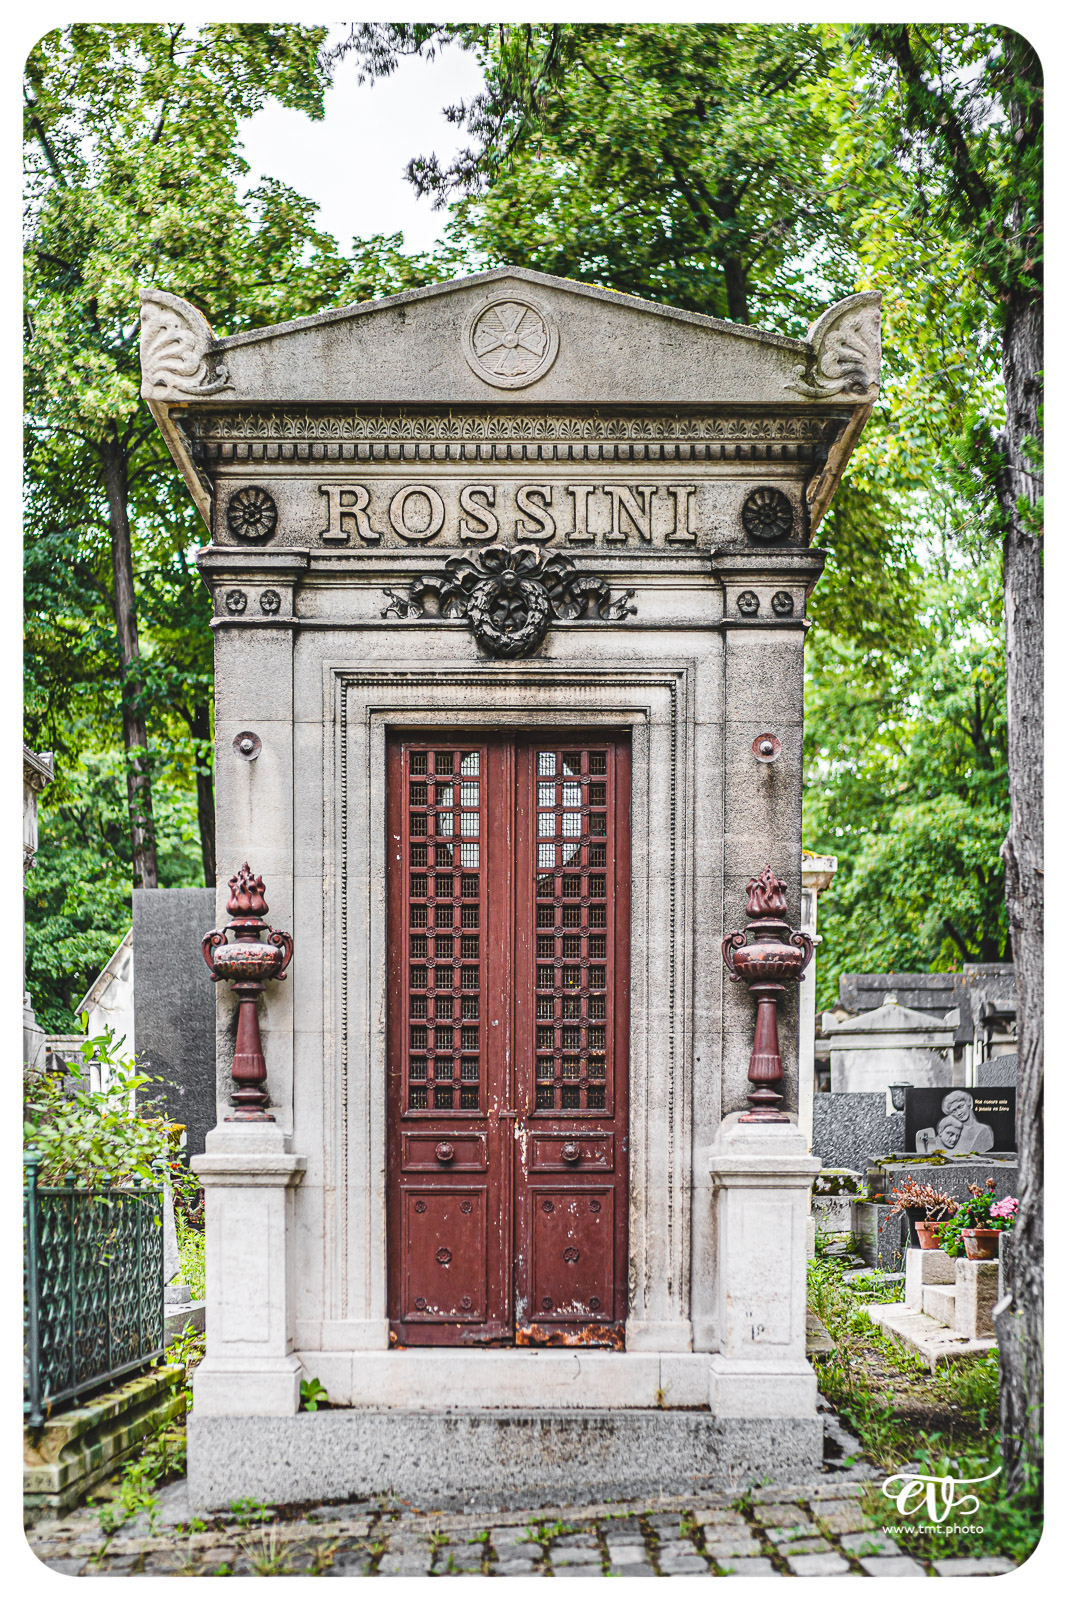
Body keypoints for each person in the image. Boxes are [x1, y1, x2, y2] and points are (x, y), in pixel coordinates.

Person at [915, 1090, 995, 1155]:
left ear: (969, 1104)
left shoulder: (983, 1130)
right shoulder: (952, 1129)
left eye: (960, 1107)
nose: (959, 1113)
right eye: (954, 1111)